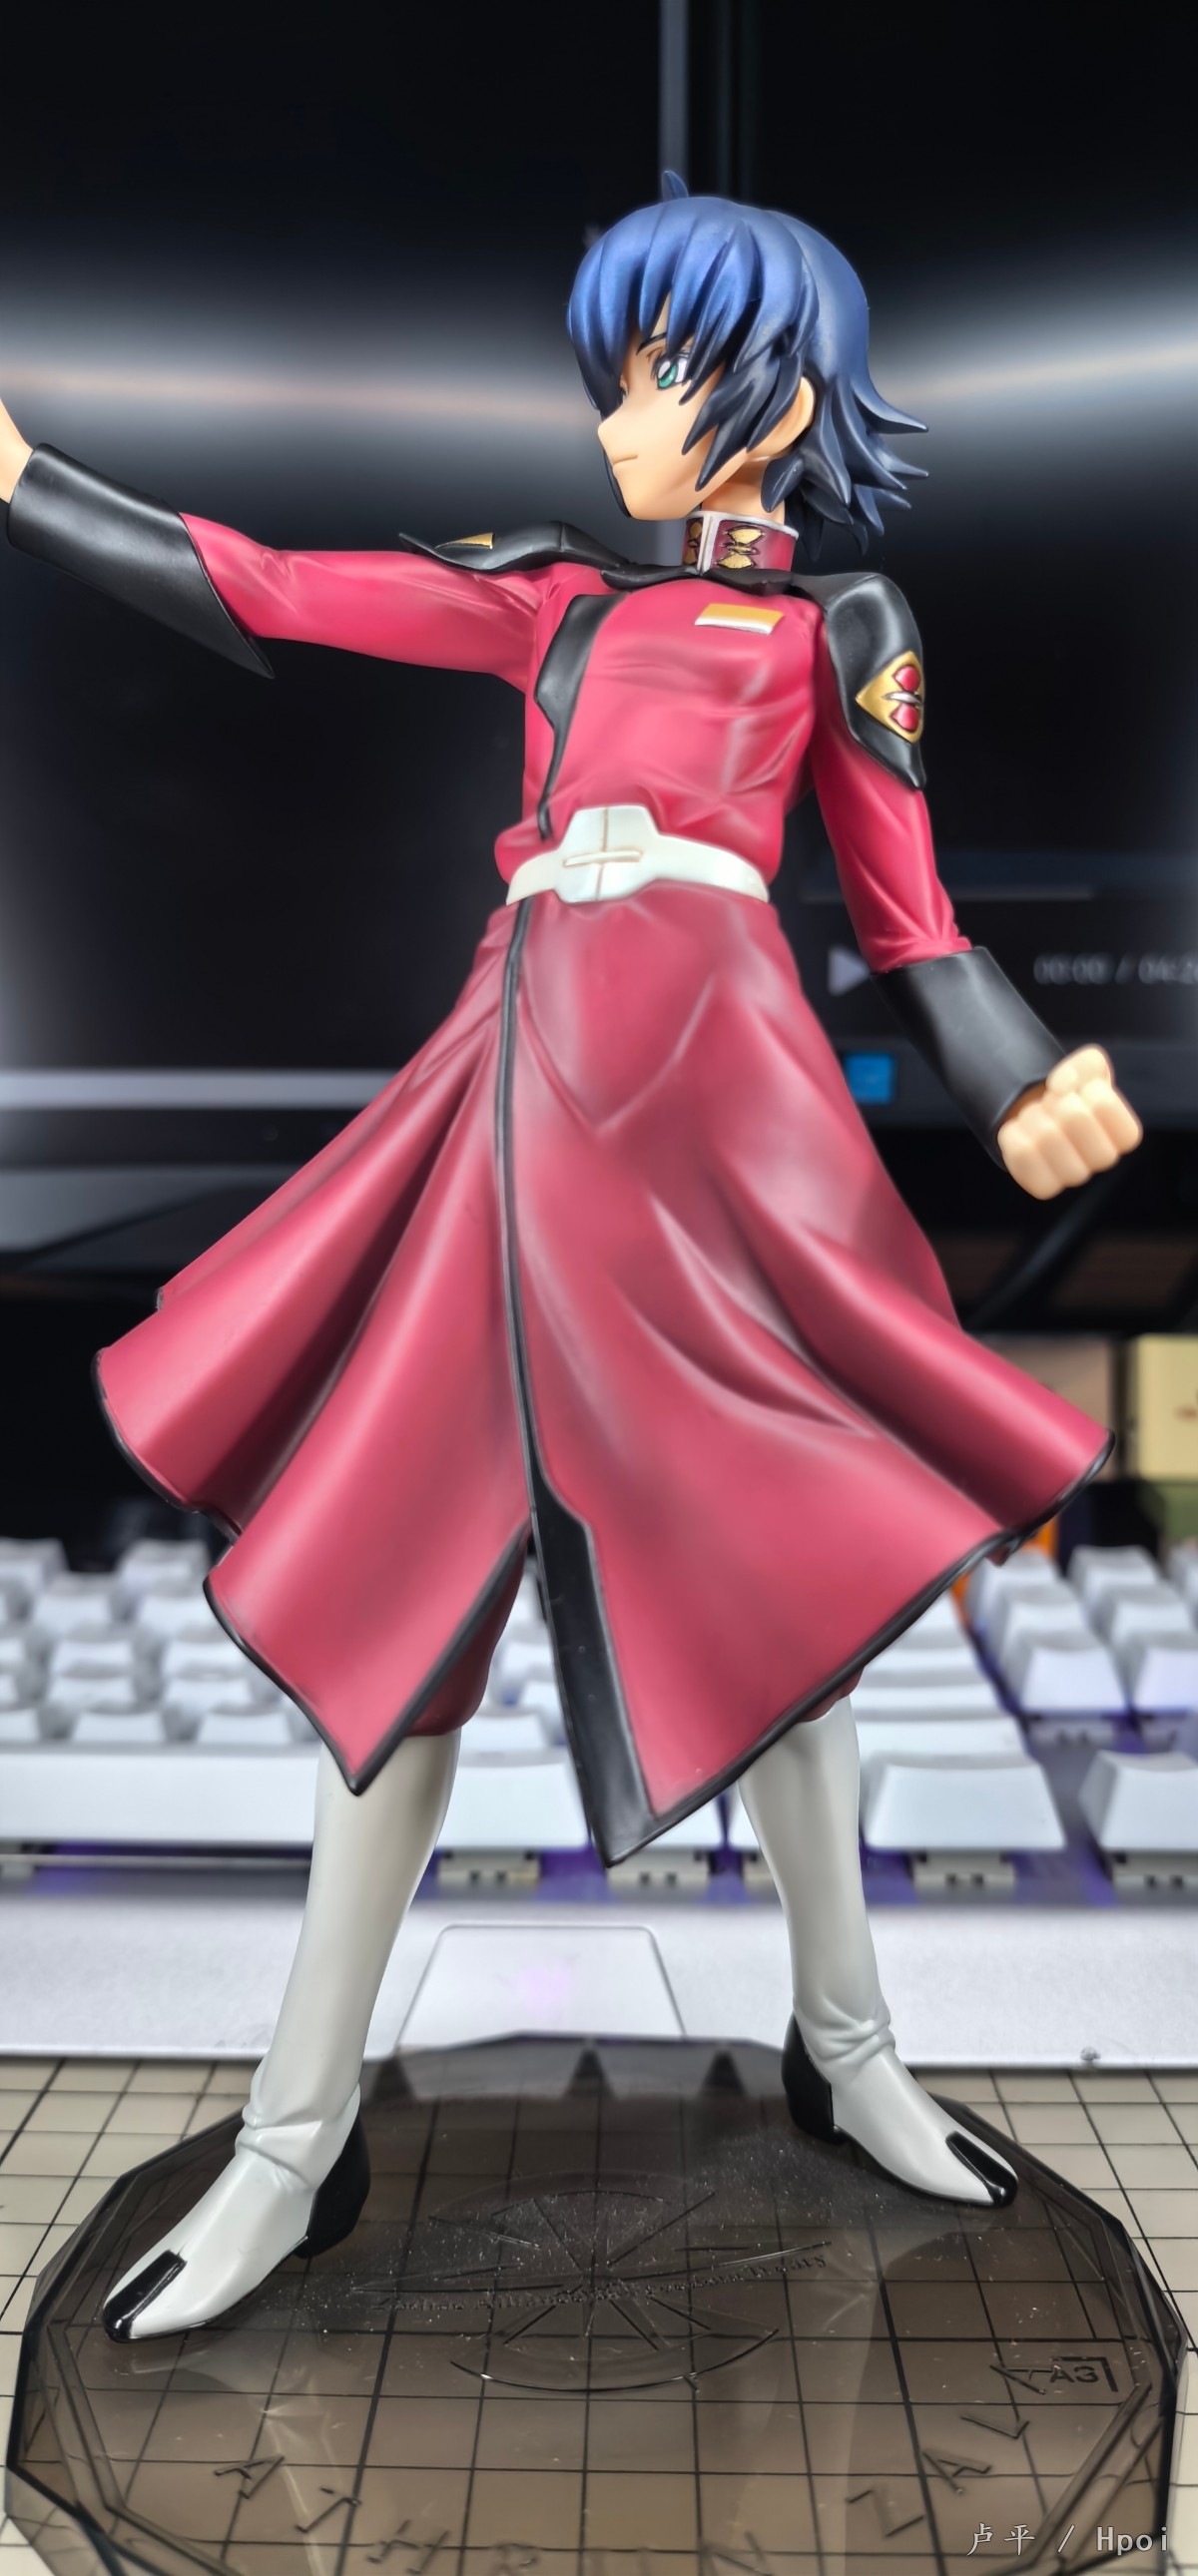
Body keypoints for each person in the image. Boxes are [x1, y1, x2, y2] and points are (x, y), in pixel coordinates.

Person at [0, 178, 1140, 2339]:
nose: (617, 421)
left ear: (775, 390)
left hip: (725, 1118)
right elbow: (275, 586)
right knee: (407, 1609)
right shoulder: (549, 601)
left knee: (785, 1599)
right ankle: (288, 2142)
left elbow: (913, 921)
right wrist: (32, 485)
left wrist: (1016, 1078)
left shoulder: (846, 625)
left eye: (659, 372)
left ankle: (851, 2051)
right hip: (521, 1099)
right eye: (608, 379)